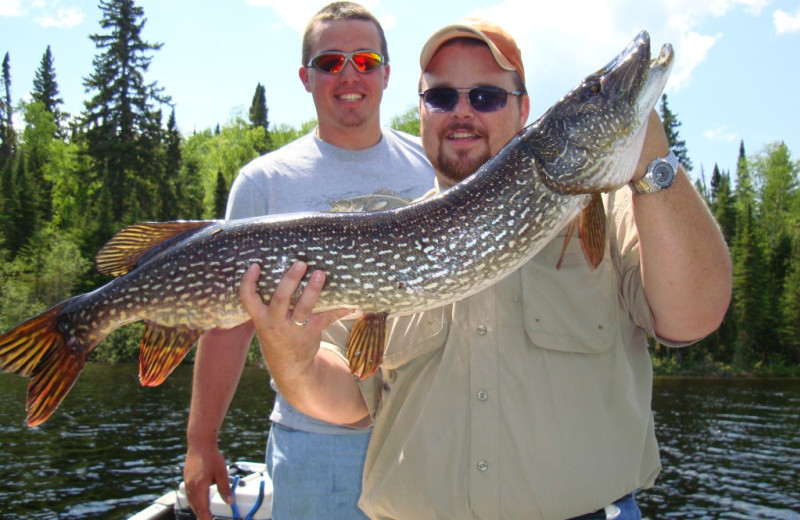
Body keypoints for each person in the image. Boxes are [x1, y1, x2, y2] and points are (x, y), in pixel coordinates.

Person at [239, 19, 732, 520]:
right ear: (422, 111)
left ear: (523, 110)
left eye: (487, 97)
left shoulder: (623, 211)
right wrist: (290, 356)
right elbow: (348, 401)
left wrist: (652, 161)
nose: (462, 111)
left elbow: (694, 316)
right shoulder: (380, 237)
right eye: (441, 97)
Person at [182, 3, 434, 520]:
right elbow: (227, 324)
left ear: (387, 74)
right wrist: (201, 440)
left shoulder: (433, 167)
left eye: (364, 61)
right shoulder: (264, 182)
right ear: (306, 77)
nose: (348, 75)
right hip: (318, 445)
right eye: (330, 62)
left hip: (428, 434)